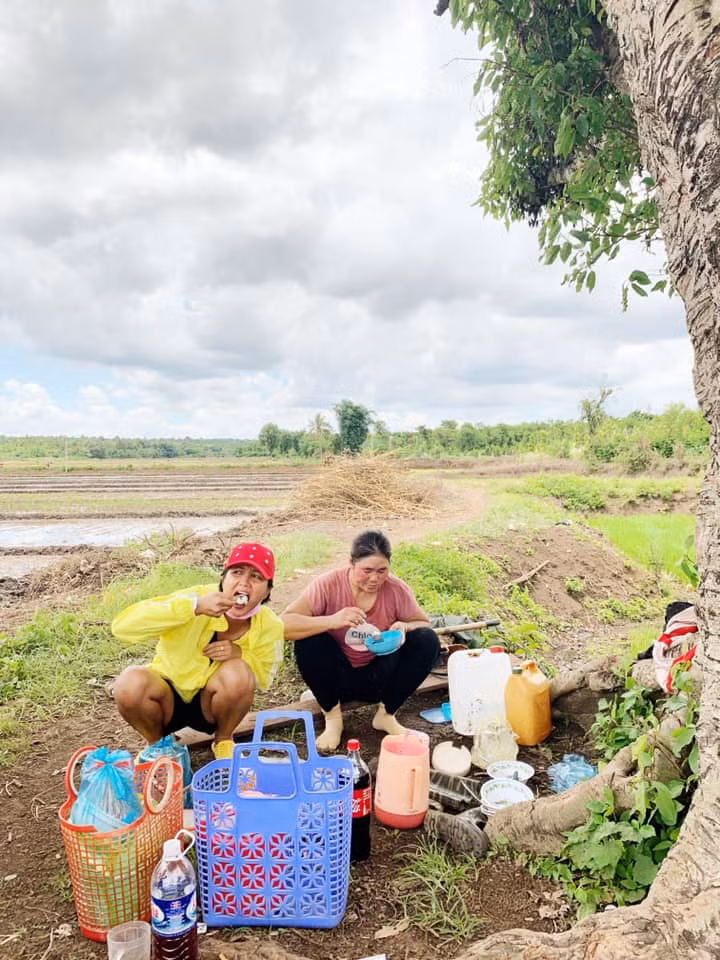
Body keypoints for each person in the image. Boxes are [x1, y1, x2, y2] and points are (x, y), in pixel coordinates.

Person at [111, 542, 283, 760]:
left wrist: (240, 654)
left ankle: (223, 741)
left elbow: (265, 677)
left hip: (211, 706)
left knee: (238, 671)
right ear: (223, 578)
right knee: (130, 683)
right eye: (237, 572)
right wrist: (193, 607)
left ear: (267, 590)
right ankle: (157, 746)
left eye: (256, 577)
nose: (244, 583)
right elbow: (122, 627)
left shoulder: (271, 625)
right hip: (167, 697)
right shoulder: (194, 598)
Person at [281, 530, 440, 752]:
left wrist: (405, 626)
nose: (375, 579)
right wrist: (331, 621)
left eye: (382, 571)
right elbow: (284, 624)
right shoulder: (327, 584)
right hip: (337, 679)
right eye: (367, 570)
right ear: (351, 563)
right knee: (309, 640)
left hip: (378, 678)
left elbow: (423, 623)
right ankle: (333, 719)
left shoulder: (396, 589)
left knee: (427, 640)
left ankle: (386, 714)